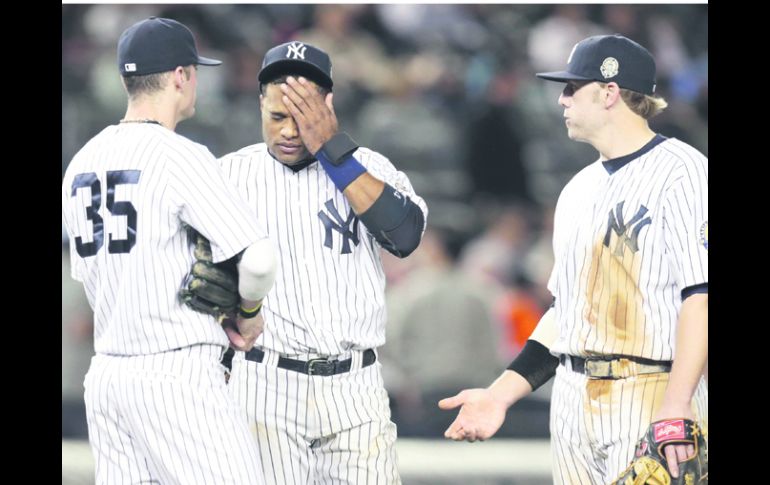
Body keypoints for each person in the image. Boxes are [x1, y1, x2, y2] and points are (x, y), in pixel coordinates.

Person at [439, 34, 708, 484]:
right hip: (571, 395)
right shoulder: (577, 189)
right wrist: (501, 394)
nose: (561, 98)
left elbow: (700, 297)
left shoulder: (684, 172)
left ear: (609, 92)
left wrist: (677, 406)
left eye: (572, 87)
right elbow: (564, 313)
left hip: (649, 386)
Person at [61, 17, 277, 484]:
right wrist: (250, 310)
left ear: (126, 79)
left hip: (108, 376)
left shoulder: (80, 163)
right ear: (181, 76)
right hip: (175, 370)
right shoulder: (178, 154)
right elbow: (258, 258)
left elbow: (89, 276)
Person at [212, 41, 428, 484]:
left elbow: (405, 236)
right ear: (259, 106)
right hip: (264, 382)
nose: (290, 131)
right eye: (277, 116)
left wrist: (334, 152)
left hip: (355, 385)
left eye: (302, 117)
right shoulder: (227, 176)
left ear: (328, 107)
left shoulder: (369, 167)